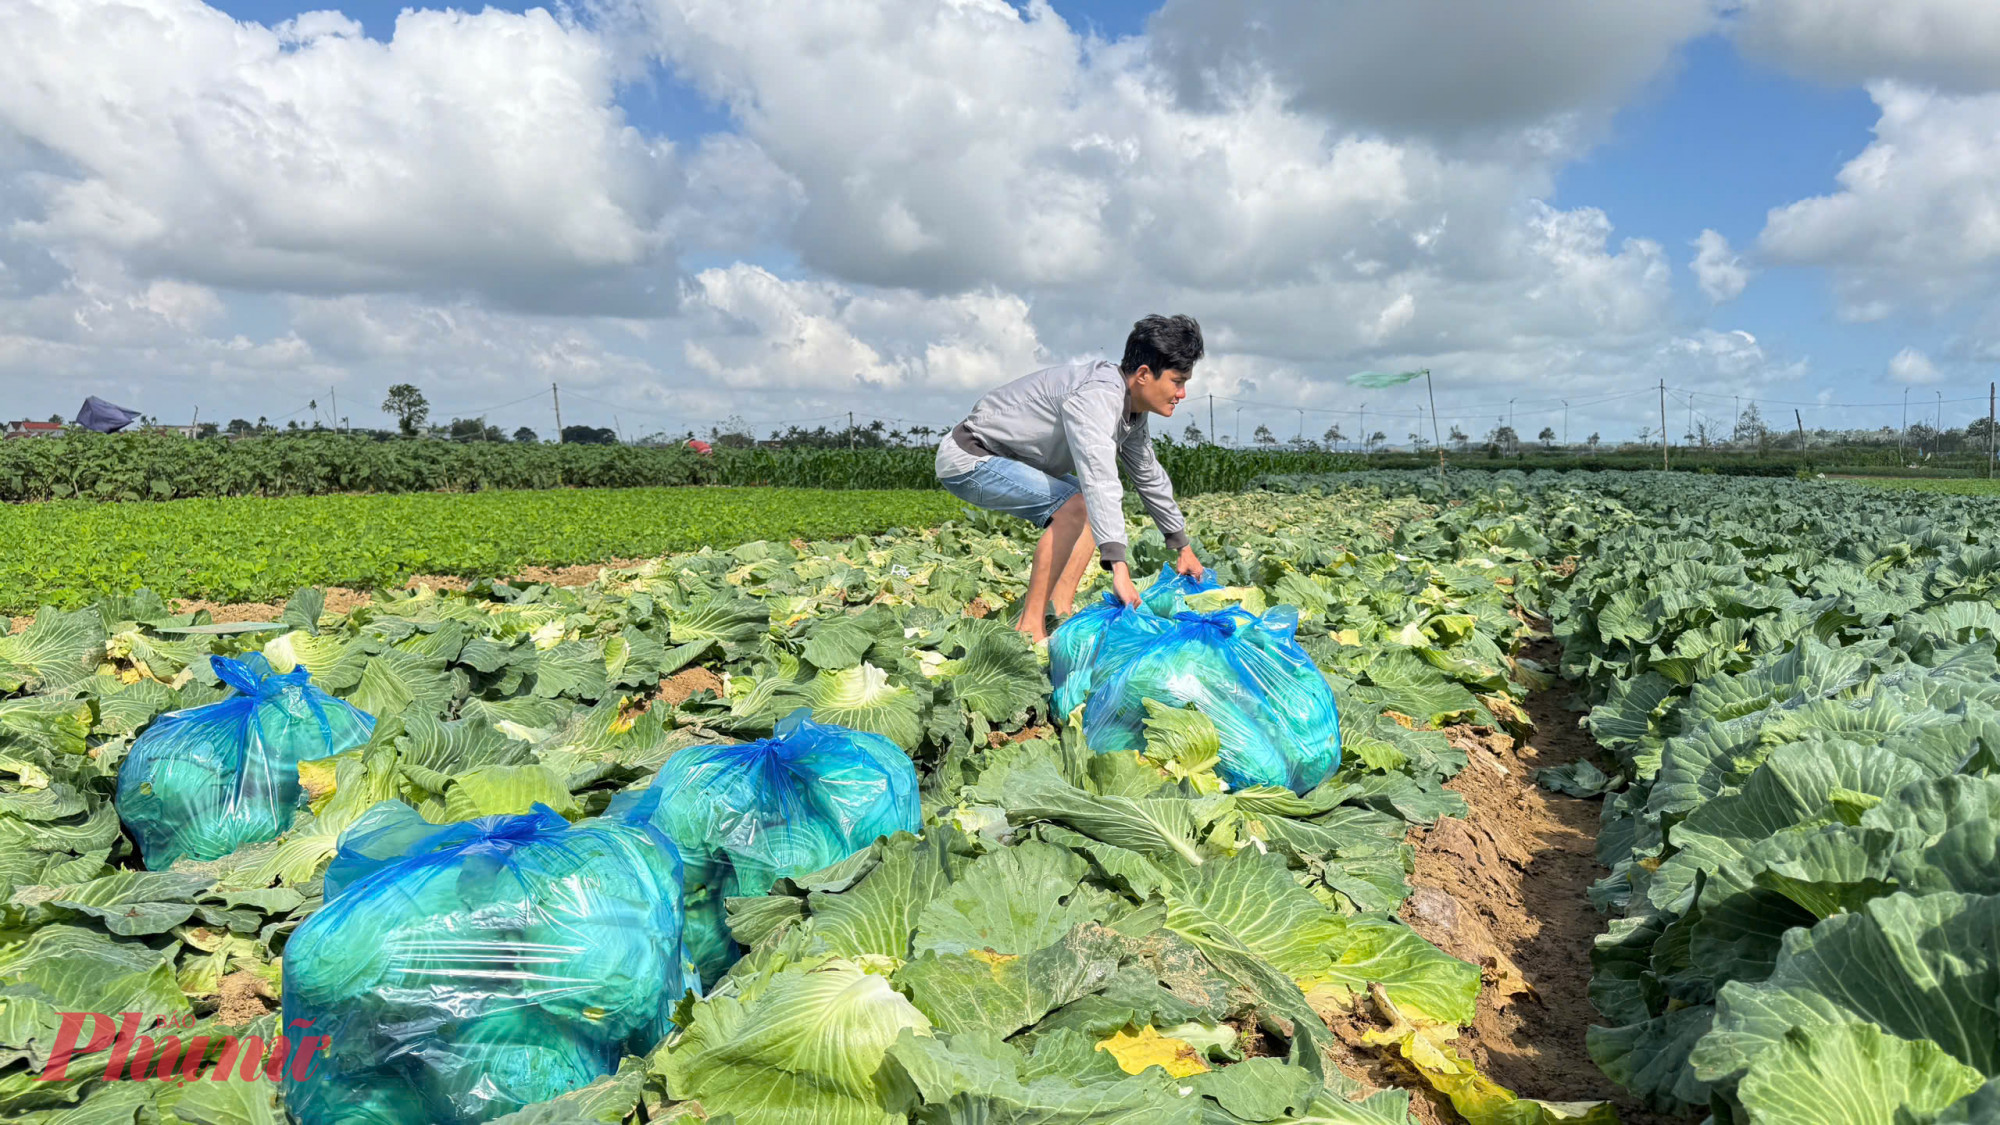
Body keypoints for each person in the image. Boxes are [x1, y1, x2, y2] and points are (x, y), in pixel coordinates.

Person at [934, 314, 1207, 643]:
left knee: (1086, 506)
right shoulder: (1097, 397)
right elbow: (1098, 475)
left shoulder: (1132, 411)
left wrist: (1182, 545)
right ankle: (1030, 629)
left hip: (1010, 459)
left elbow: (1148, 475)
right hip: (970, 455)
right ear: (1145, 374)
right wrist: (1118, 567)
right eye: (1177, 381)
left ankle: (1059, 610)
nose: (1182, 393)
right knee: (1076, 506)